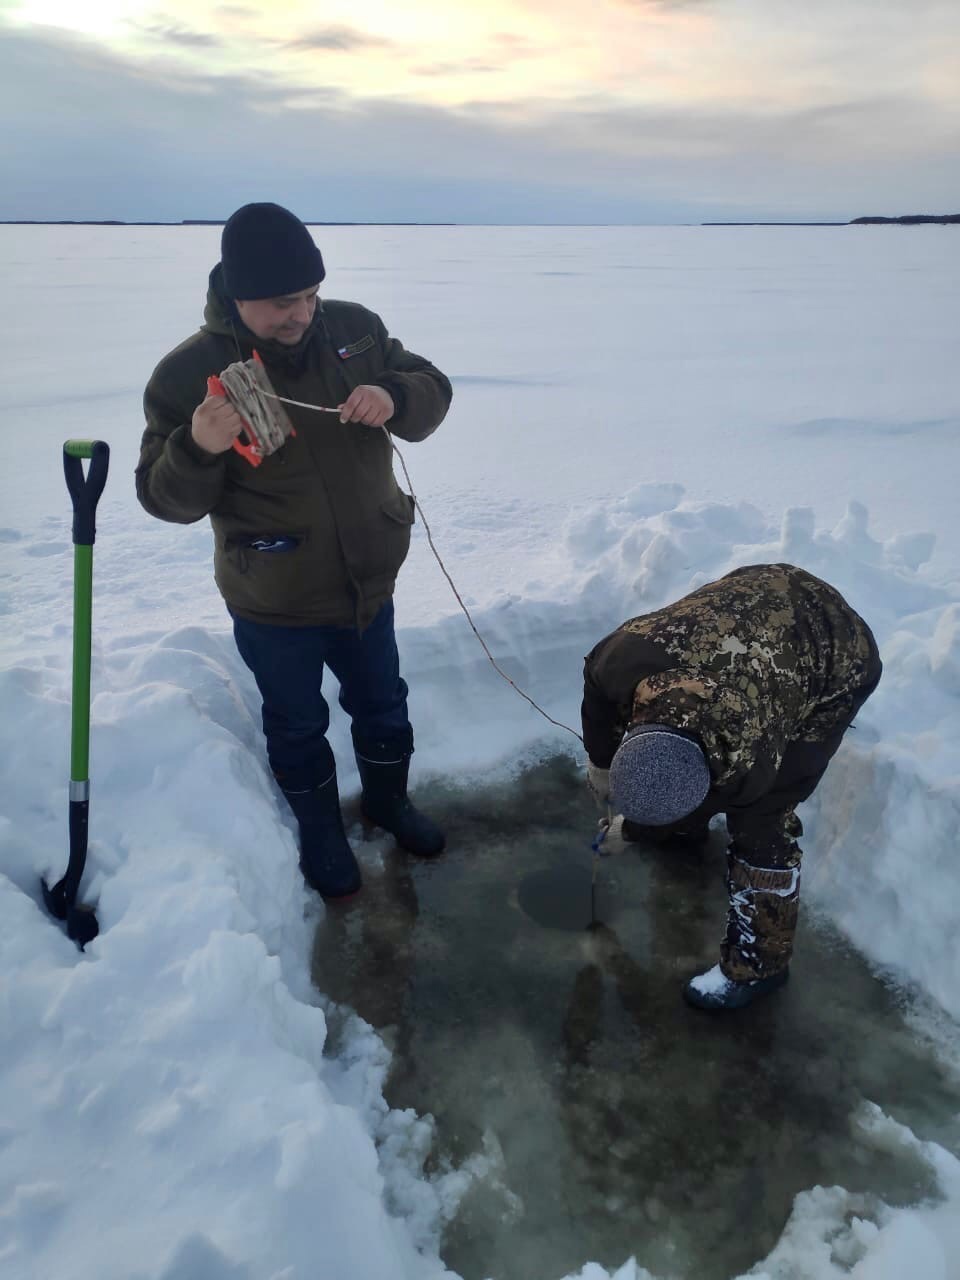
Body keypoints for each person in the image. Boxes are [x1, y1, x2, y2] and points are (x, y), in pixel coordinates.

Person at [137, 202, 452, 900]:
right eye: (283, 303)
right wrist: (198, 448)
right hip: (274, 597)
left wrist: (394, 394)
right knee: (297, 721)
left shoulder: (354, 329)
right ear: (238, 294)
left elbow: (434, 387)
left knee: (383, 704)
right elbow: (163, 500)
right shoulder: (188, 373)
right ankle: (319, 829)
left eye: (309, 296)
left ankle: (387, 802)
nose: (301, 314)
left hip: (369, 579)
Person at [581, 563, 882, 1010]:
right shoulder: (618, 660)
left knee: (762, 826)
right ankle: (680, 827)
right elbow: (599, 704)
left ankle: (760, 967)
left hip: (838, 652)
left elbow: (728, 794)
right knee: (682, 797)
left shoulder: (753, 760)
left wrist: (633, 831)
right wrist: (602, 766)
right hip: (757, 590)